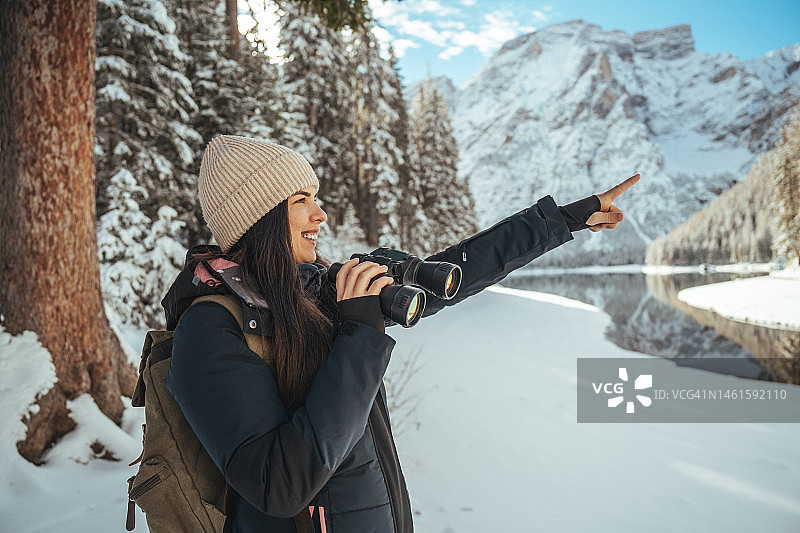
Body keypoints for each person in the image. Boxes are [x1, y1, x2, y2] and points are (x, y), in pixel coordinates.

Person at [164, 135, 639, 533]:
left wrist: (561, 221)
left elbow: (456, 272)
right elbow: (280, 484)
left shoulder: (309, 291)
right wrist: (360, 334)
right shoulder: (209, 330)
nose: (321, 215)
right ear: (260, 218)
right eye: (302, 201)